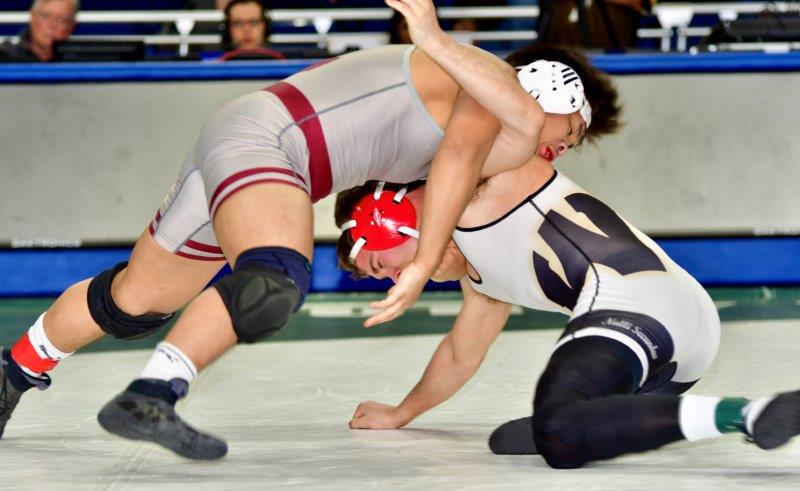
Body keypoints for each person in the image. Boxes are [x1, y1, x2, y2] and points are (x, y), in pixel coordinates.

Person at [0, 0, 586, 460]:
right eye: (573, 130)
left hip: (242, 139)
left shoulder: (491, 121)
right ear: (555, 96)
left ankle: (15, 369)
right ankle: (152, 393)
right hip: (272, 144)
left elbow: (447, 196)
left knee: (134, 301)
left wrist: (433, 259)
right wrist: (423, 265)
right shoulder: (494, 91)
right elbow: (469, 157)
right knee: (274, 278)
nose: (565, 147)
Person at [337, 141, 800, 467]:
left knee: (557, 430)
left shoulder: (484, 190)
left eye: (382, 265)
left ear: (389, 217)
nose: (396, 279)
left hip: (636, 306)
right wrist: (401, 413)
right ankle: (578, 417)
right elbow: (461, 354)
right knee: (567, 432)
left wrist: (431, 43)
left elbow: (489, 125)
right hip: (676, 353)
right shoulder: (480, 279)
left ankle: (744, 414)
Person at [0, 0, 78, 62]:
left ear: (72, 26)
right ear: (32, 16)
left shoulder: (78, 61)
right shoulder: (5, 57)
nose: (52, 25)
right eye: (46, 16)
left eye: (62, 20)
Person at [218, 0, 284, 61]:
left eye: (254, 22)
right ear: (228, 29)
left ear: (266, 26)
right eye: (238, 23)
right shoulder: (219, 65)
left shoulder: (281, 63)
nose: (246, 30)